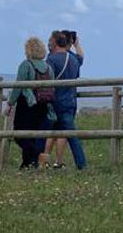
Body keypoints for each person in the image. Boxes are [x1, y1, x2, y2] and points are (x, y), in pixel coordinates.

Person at [6, 36, 55, 170]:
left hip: (27, 105)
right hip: (43, 105)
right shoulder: (48, 67)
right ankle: (27, 163)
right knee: (32, 135)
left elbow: (18, 87)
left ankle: (38, 156)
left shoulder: (26, 65)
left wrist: (10, 103)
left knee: (19, 134)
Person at [45, 31, 87, 170]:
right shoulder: (73, 59)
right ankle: (81, 164)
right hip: (70, 101)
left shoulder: (51, 59)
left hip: (55, 101)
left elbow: (47, 80)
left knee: (44, 133)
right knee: (71, 135)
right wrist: (77, 44)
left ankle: (41, 162)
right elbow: (80, 61)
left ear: (56, 43)